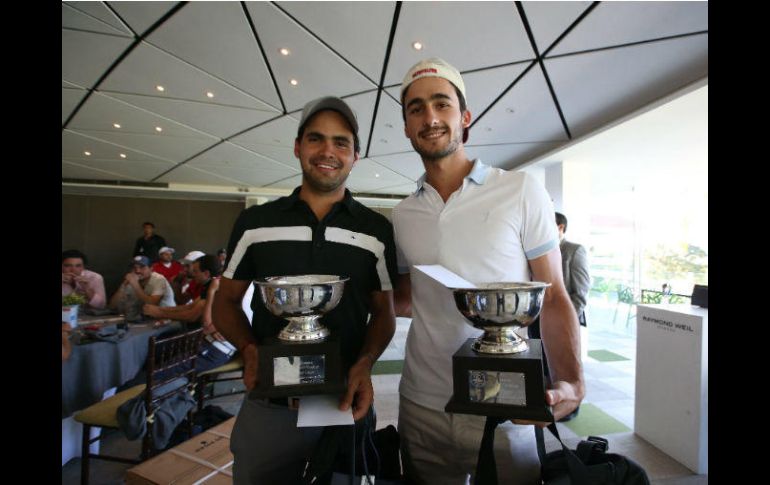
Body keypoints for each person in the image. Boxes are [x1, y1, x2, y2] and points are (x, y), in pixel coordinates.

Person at [392, 58, 585, 484]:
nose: (430, 117)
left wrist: (572, 380)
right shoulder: (402, 214)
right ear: (406, 127)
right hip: (421, 403)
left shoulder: (520, 190)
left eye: (442, 104)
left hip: (505, 399)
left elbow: (552, 295)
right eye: (416, 108)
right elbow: (405, 300)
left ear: (464, 117)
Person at [212, 96, 398, 484]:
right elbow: (226, 302)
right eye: (316, 139)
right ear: (298, 147)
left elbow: (384, 312)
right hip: (271, 402)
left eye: (341, 142)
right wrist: (248, 349)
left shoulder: (375, 230)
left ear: (355, 155)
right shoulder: (255, 222)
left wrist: (365, 363)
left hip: (345, 398)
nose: (328, 151)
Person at [143, 254, 233, 374]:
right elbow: (189, 306)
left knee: (157, 369)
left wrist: (159, 312)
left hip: (211, 346)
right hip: (203, 339)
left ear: (206, 273)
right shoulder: (209, 285)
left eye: (193, 269)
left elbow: (196, 317)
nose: (189, 272)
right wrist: (160, 311)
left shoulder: (216, 287)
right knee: (155, 351)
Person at [554, 211, 590, 422]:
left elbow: (581, 293)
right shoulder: (540, 251)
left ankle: (571, 407)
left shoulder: (574, 251)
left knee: (568, 362)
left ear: (560, 228)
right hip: (540, 319)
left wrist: (566, 320)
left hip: (565, 320)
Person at [109, 255, 176, 321]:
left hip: (167, 318)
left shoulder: (159, 279)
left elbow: (152, 303)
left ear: (151, 268)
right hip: (145, 320)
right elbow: (112, 306)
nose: (137, 271)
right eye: (134, 268)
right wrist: (123, 286)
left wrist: (135, 284)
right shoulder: (132, 281)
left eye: (142, 267)